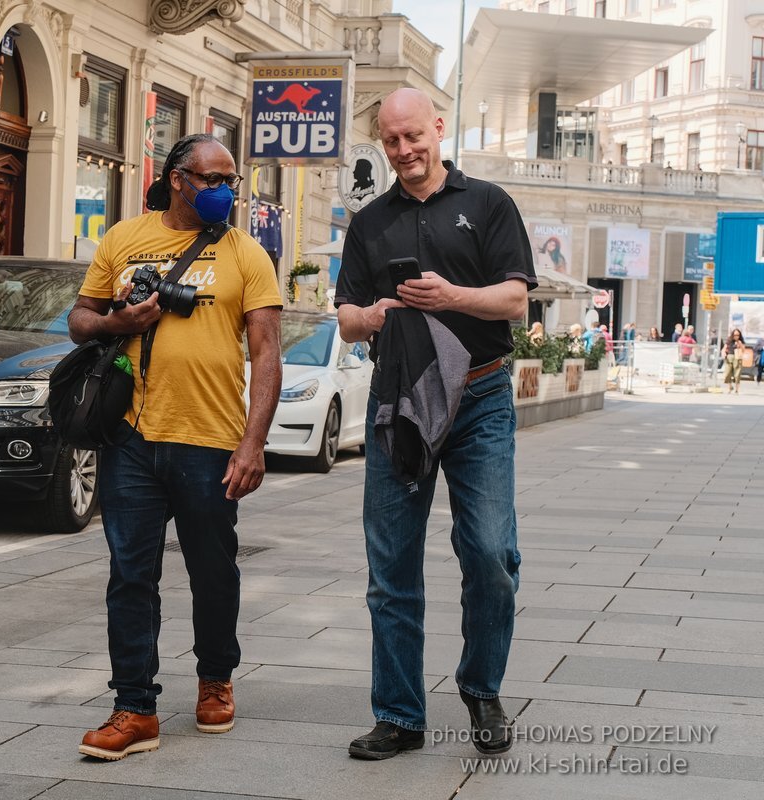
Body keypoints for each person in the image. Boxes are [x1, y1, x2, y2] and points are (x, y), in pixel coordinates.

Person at [334, 88, 536, 760]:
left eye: (413, 136)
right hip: (401, 400)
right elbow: (345, 317)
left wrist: (451, 298)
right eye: (391, 141)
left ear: (439, 128)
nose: (404, 151)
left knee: (489, 553)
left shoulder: (487, 205)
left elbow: (513, 299)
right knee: (390, 562)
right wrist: (376, 315)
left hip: (479, 397)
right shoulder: (368, 223)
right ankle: (398, 715)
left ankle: (481, 687)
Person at [68, 133, 282, 761]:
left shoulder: (248, 255)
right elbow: (79, 318)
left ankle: (216, 678)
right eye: (213, 179)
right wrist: (118, 322)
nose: (225, 191)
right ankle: (134, 707)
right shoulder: (123, 239)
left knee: (213, 571)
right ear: (177, 179)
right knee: (131, 575)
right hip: (131, 436)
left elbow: (267, 352)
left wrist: (254, 442)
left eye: (231, 181)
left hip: (211, 440)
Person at [722, 328, 748, 393]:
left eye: (738, 335)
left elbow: (744, 350)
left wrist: (740, 344)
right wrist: (724, 353)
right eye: (735, 335)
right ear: (732, 335)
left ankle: (737, 389)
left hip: (738, 357)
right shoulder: (729, 340)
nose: (736, 336)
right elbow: (724, 348)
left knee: (737, 374)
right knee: (727, 373)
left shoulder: (741, 341)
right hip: (729, 356)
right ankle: (730, 387)